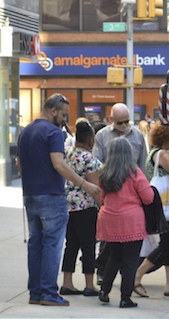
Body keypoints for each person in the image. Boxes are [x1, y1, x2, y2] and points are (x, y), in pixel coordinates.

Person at [17, 93, 101, 306]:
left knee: (36, 243)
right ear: (52, 110)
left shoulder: (25, 131)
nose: (65, 120)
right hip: (51, 196)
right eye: (63, 115)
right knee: (52, 244)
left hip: (30, 194)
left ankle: (35, 292)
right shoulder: (53, 133)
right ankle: (49, 293)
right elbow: (59, 164)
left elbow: (19, 165)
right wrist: (85, 184)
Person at [133, 122, 169, 298]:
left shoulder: (154, 153)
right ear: (165, 137)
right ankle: (136, 277)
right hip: (165, 206)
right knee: (167, 244)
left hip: (162, 205)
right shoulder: (162, 154)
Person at [96, 137, 154, 308]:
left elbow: (102, 197)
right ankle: (125, 297)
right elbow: (148, 197)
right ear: (129, 153)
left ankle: (104, 291)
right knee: (130, 261)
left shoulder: (104, 173)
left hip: (109, 220)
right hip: (131, 221)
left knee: (114, 257)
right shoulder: (134, 173)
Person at [93, 103, 148, 284]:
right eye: (120, 123)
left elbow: (143, 165)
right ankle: (102, 273)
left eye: (126, 122)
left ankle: (124, 278)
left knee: (127, 246)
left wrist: (139, 186)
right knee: (109, 242)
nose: (124, 127)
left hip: (131, 192)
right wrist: (111, 178)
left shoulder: (138, 136)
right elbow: (96, 163)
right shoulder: (102, 136)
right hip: (110, 188)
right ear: (111, 120)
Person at [60, 121, 102, 297]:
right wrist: (102, 207)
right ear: (90, 139)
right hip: (86, 207)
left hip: (68, 206)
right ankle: (89, 284)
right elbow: (95, 187)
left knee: (71, 245)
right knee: (88, 246)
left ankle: (67, 283)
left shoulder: (66, 153)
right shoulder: (90, 160)